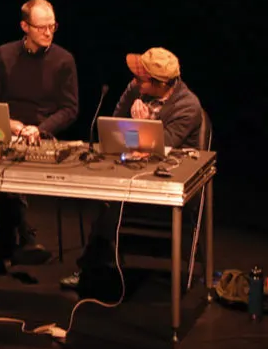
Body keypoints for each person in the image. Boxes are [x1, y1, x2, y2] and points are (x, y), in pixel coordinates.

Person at [62, 46, 206, 297]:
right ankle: (93, 268)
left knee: (114, 202)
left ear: (160, 84)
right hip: (132, 168)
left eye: (141, 79)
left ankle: (93, 267)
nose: (134, 82)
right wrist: (133, 130)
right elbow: (114, 127)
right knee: (106, 194)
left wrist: (143, 125)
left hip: (169, 181)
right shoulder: (134, 90)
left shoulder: (188, 106)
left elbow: (162, 147)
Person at [0, 0, 78, 266]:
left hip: (42, 133)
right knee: (4, 158)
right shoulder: (5, 54)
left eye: (52, 26)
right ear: (24, 26)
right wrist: (10, 125)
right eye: (41, 27)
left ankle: (7, 241)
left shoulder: (63, 60)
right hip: (5, 130)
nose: (48, 33)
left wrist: (41, 128)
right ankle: (21, 235)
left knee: (11, 164)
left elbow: (70, 109)